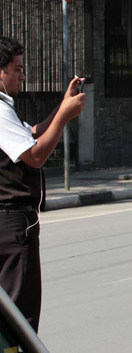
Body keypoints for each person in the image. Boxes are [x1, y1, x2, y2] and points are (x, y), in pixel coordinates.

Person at [0, 36, 85, 331]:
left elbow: (33, 133)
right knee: (19, 318)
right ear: (1, 72)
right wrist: (64, 116)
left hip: (13, 224)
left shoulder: (5, 110)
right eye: (17, 68)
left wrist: (63, 106)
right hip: (11, 225)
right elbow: (34, 155)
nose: (22, 75)